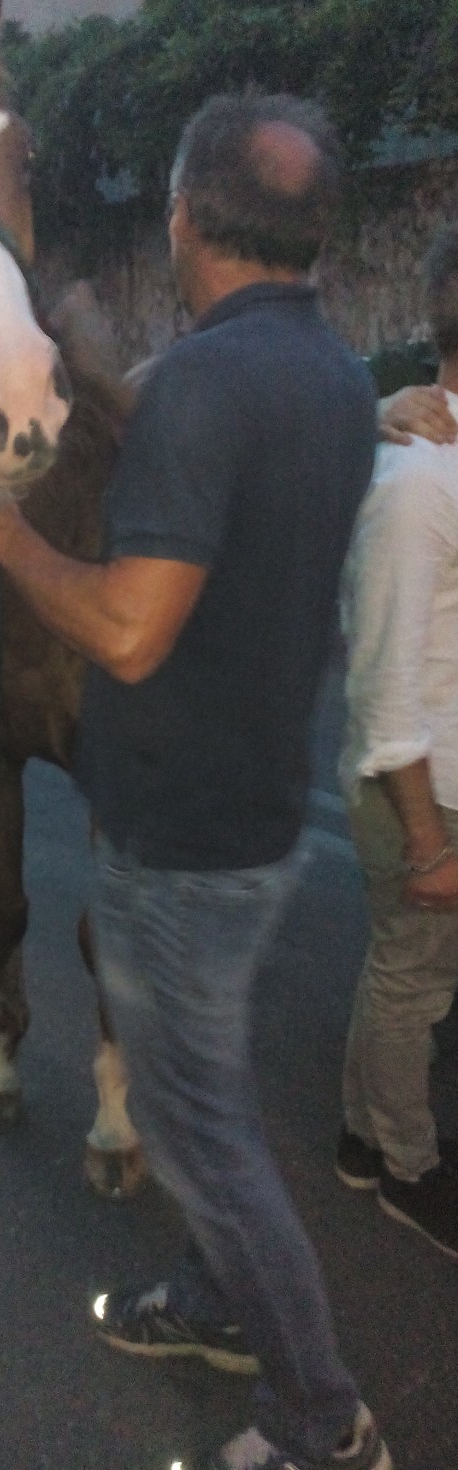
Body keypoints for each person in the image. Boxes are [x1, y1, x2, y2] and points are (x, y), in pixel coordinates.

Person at [0, 93, 390, 1470]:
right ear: (313, 233)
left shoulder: (198, 385)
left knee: (204, 1141)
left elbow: (128, 624)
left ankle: (318, 1419)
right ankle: (203, 1298)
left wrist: (0, 536)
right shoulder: (334, 375)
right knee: (207, 1094)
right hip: (248, 825)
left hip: (177, 843)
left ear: (183, 217)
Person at [336, 224, 458, 1261]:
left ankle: (354, 1134)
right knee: (411, 980)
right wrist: (425, 840)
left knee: (398, 970)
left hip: (439, 779)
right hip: (422, 791)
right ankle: (404, 1170)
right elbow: (380, 682)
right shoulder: (418, 474)